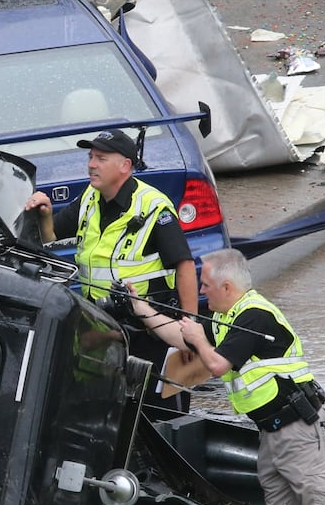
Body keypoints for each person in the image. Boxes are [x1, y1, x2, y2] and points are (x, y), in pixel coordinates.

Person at [130, 247, 325, 505]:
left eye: (205, 285)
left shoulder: (255, 316)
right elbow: (178, 336)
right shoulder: (228, 318)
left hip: (300, 430)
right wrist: (142, 309)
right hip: (273, 436)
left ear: (226, 287)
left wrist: (198, 338)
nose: (201, 292)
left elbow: (215, 365)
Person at [23, 128, 197, 409]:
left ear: (125, 166)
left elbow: (185, 265)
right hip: (103, 323)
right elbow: (52, 235)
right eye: (91, 157)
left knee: (156, 413)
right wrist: (45, 212)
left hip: (149, 329)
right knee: (107, 408)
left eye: (101, 158)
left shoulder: (154, 207)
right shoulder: (89, 199)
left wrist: (190, 332)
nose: (91, 164)